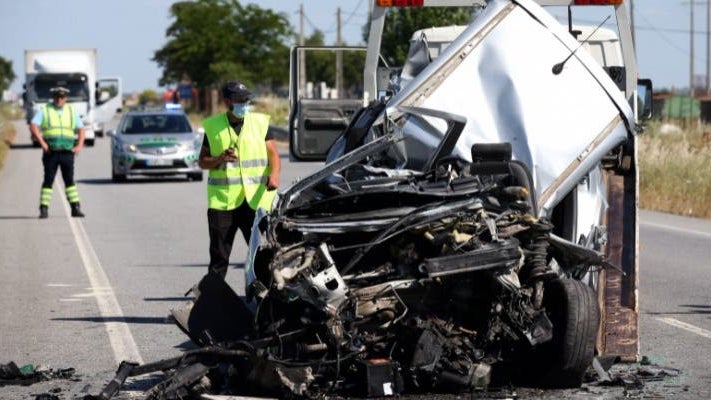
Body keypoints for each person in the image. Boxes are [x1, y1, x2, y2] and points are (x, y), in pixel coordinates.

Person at [199, 81, 281, 278]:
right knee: (219, 256)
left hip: (255, 201)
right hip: (223, 203)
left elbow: (273, 154)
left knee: (264, 254)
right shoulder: (213, 127)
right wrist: (220, 159)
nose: (244, 103)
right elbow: (202, 162)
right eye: (239, 100)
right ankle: (213, 298)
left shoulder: (260, 123)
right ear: (228, 102)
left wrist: (274, 175)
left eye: (246, 100)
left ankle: (268, 295)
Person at [30, 86, 85, 219]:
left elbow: (81, 129)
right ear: (53, 97)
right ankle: (44, 209)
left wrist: (79, 145)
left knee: (69, 181)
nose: (59, 100)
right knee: (48, 180)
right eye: (56, 97)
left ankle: (75, 208)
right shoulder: (45, 110)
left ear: (66, 98)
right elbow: (33, 125)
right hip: (51, 152)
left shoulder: (71, 110)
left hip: (67, 152)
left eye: (62, 97)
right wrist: (42, 143)